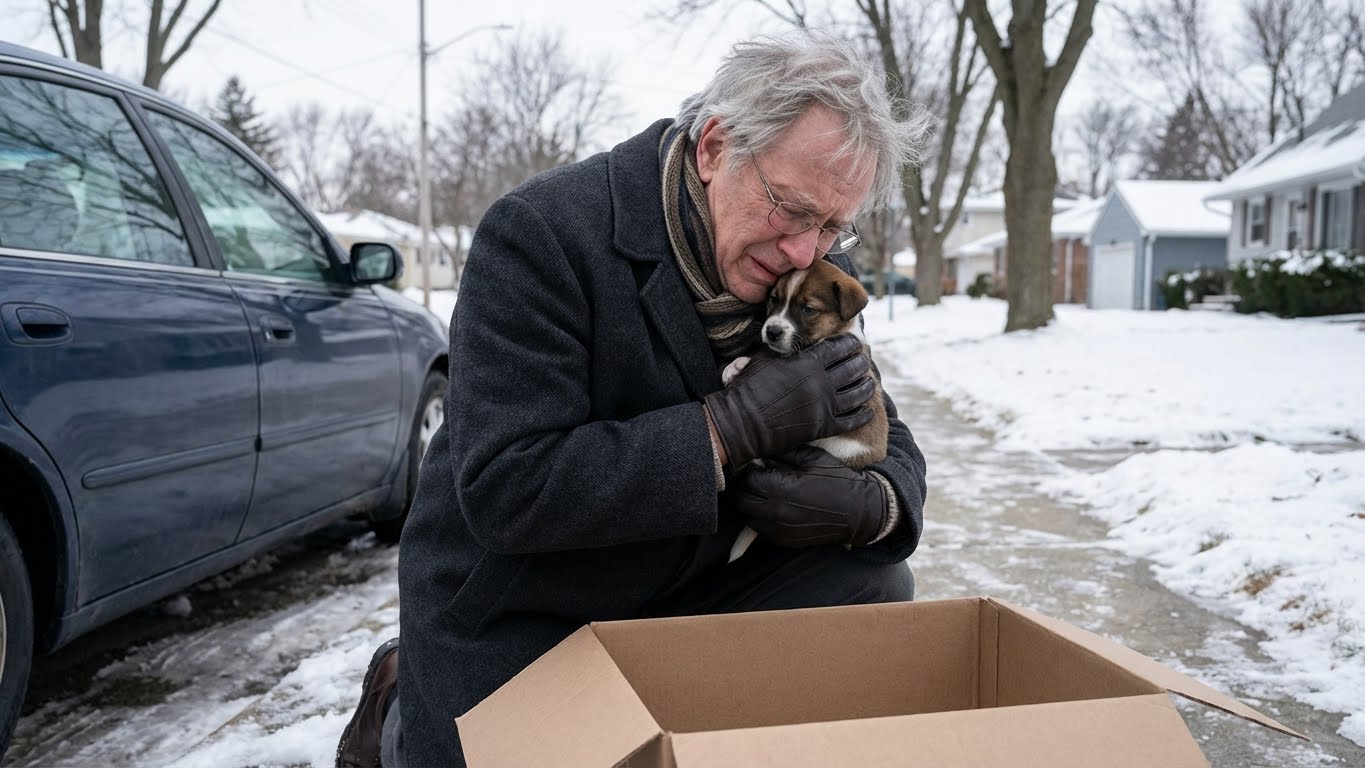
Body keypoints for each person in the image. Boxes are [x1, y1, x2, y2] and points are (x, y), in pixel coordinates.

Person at [336, 30, 931, 768]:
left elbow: (881, 421)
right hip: (536, 602)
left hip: (698, 579)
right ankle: (399, 702)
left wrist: (876, 503)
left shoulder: (803, 268)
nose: (807, 250)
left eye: (834, 226)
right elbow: (508, 487)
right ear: (714, 148)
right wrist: (730, 428)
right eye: (791, 209)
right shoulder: (543, 235)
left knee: (869, 579)